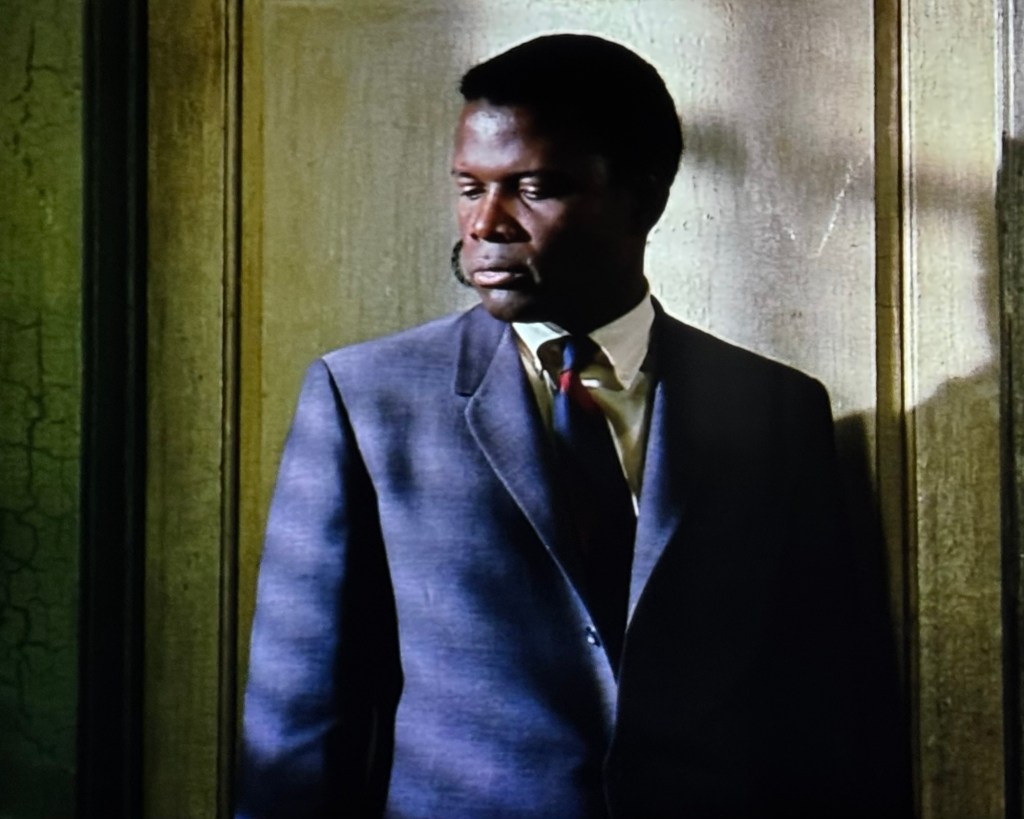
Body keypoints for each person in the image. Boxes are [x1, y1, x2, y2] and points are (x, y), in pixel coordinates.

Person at [237, 34, 911, 818]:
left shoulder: (774, 409)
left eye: (532, 189)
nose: (486, 223)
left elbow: (821, 712)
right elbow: (298, 728)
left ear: (643, 199)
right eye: (469, 187)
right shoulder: (367, 401)